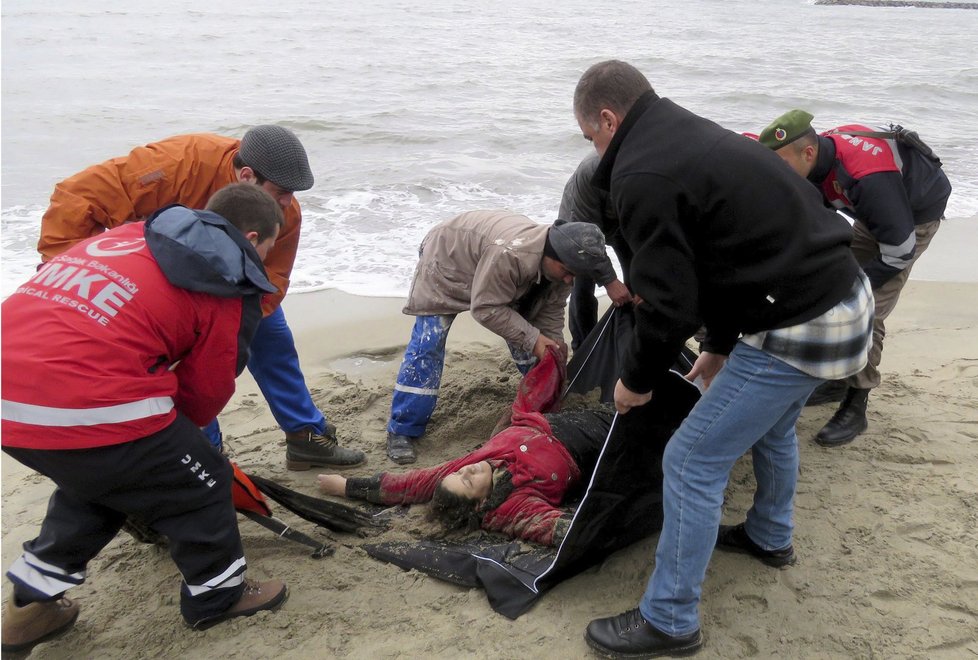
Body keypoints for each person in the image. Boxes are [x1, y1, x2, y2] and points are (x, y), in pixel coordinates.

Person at [572, 60, 874, 658]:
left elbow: (671, 303)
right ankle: (769, 536)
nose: (596, 152)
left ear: (607, 118)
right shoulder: (685, 131)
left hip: (803, 320)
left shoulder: (639, 171)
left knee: (689, 460)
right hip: (842, 296)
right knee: (773, 425)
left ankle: (670, 621)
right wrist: (716, 347)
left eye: (591, 138)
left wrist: (636, 379)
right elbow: (729, 252)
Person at [1, 184, 291, 654]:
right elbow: (207, 389)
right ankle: (218, 597)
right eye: (268, 248)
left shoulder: (133, 233)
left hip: (8, 391)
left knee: (103, 480)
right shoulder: (227, 274)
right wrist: (182, 452)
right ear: (253, 238)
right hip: (83, 397)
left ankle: (28, 609)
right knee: (205, 483)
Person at [35, 125, 364, 469]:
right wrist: (74, 273)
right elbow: (77, 197)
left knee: (271, 336)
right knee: (180, 364)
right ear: (247, 176)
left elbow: (272, 282)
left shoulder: (286, 213)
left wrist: (231, 327)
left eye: (292, 193)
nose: (288, 202)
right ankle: (204, 453)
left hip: (227, 282)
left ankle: (304, 437)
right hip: (154, 273)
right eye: (281, 192)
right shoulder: (181, 163)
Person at [759, 110, 952, 447]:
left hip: (913, 219)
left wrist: (854, 285)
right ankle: (837, 381)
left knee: (865, 311)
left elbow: (900, 249)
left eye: (782, 166)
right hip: (872, 213)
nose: (779, 176)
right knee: (831, 287)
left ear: (808, 152)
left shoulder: (864, 173)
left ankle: (857, 402)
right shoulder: (815, 161)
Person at [384, 209, 615, 465]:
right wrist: (534, 339)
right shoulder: (511, 255)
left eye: (574, 274)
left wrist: (551, 344)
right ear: (551, 255)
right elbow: (485, 309)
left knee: (539, 345)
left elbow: (551, 309)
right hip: (447, 259)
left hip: (493, 266)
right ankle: (402, 429)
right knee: (430, 343)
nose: (570, 278)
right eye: (566, 271)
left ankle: (542, 402)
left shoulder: (565, 262)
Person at [321, 406, 614, 546]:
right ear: (480, 503)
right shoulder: (510, 507)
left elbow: (407, 484)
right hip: (591, 441)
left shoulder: (466, 465)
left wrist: (346, 486)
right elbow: (559, 529)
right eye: (468, 480)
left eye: (461, 472)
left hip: (548, 419)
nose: (468, 469)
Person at [558, 153, 634, 350]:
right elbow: (585, 238)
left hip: (622, 222)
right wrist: (609, 281)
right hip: (580, 217)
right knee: (582, 284)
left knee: (638, 280)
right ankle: (584, 347)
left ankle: (633, 341)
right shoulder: (591, 171)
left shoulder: (652, 175)